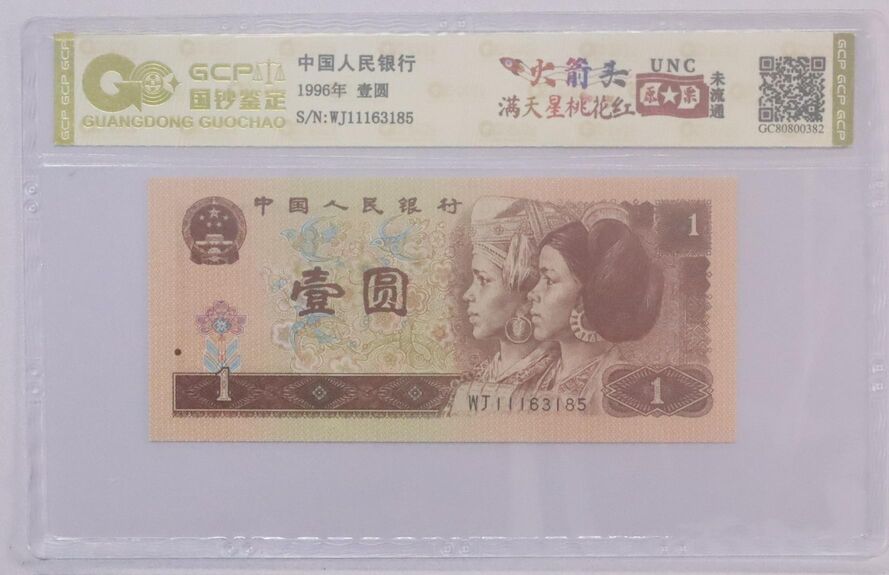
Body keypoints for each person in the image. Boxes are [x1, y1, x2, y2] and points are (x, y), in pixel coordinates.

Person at [524, 202, 664, 412]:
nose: (532, 294)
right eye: (539, 279)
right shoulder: (536, 376)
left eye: (549, 280)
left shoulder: (619, 389)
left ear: (588, 294)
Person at [448, 197, 570, 414]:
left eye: (483, 280)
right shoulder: (476, 379)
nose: (468, 295)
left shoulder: (561, 381)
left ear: (526, 297)